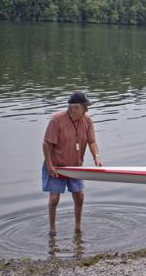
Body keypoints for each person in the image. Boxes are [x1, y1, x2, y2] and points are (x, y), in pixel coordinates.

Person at [42, 92, 102, 234]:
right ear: (74, 108)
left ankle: (77, 227)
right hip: (57, 166)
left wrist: (96, 157)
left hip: (75, 166)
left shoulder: (87, 121)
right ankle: (52, 229)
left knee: (79, 196)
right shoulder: (57, 120)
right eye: (85, 107)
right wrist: (50, 166)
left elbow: (92, 141)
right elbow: (46, 144)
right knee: (55, 198)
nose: (87, 110)